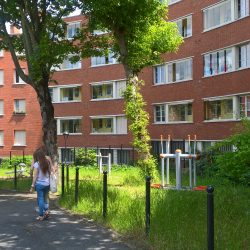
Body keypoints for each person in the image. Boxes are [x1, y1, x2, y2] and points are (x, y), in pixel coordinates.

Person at [30, 149, 51, 221]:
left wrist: (32, 185)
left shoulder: (37, 164)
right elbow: (50, 172)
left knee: (40, 199)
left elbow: (35, 176)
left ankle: (41, 215)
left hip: (40, 184)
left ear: (37, 157)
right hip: (47, 184)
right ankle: (46, 211)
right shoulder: (47, 162)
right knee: (45, 199)